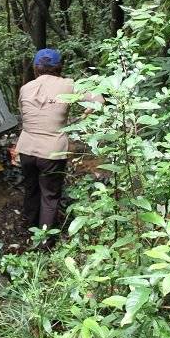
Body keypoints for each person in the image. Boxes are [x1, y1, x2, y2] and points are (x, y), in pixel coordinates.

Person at [16, 48, 104, 230]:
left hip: (26, 149)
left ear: (36, 68)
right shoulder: (69, 85)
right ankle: (45, 240)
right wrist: (86, 113)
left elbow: (24, 115)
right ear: (59, 67)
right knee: (49, 196)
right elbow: (100, 100)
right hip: (52, 152)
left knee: (31, 190)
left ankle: (29, 228)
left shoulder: (25, 88)